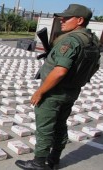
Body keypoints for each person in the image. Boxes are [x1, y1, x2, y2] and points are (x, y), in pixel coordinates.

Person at [15, 4, 100, 170]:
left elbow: (60, 71)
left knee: (45, 127)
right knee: (60, 124)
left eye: (67, 18)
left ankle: (39, 163)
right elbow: (94, 67)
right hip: (72, 91)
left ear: (80, 20)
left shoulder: (70, 41)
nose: (62, 20)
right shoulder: (91, 39)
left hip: (54, 92)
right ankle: (54, 159)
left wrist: (40, 92)